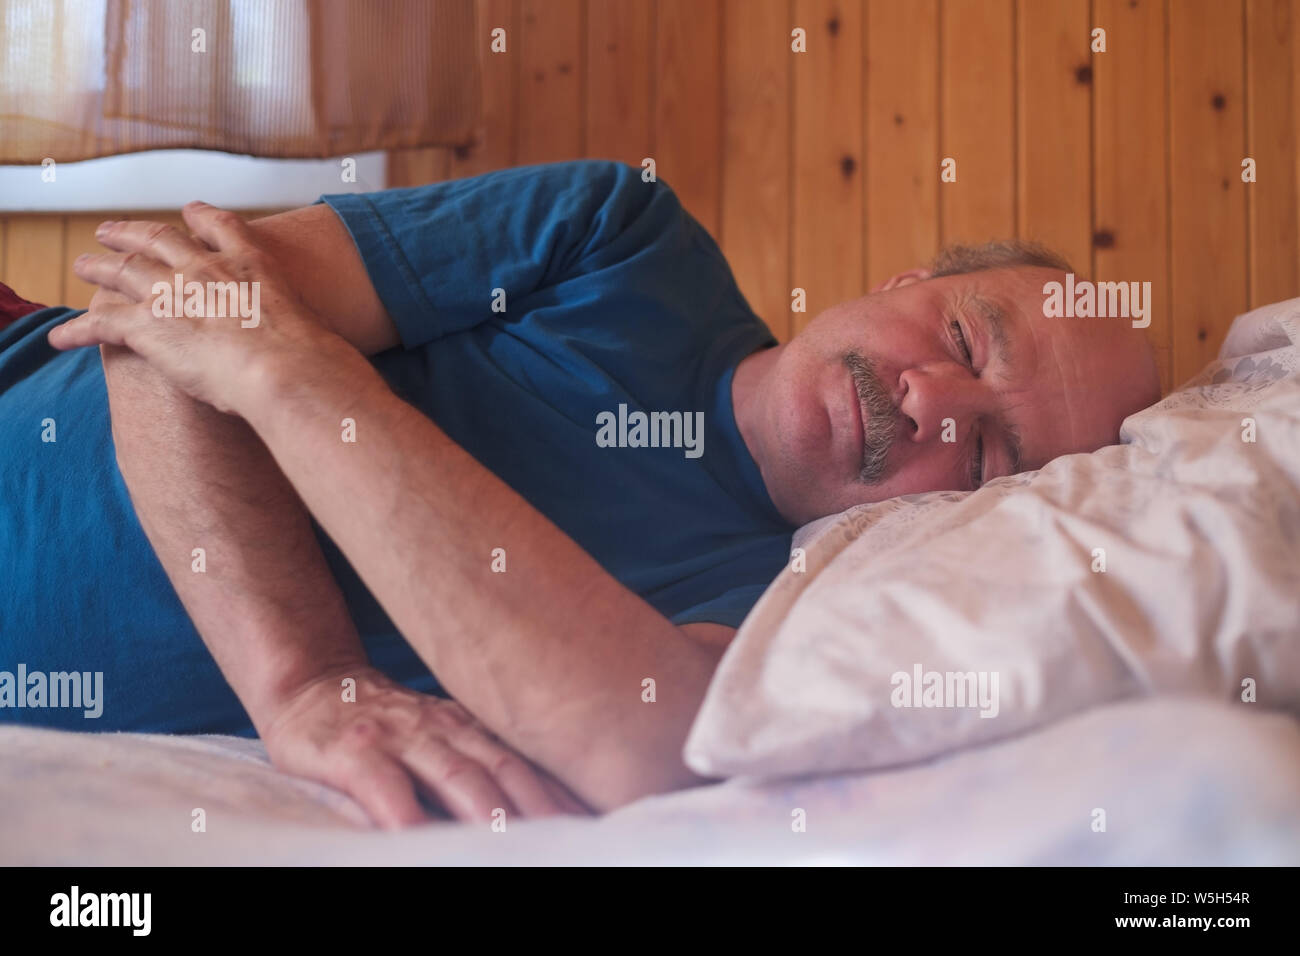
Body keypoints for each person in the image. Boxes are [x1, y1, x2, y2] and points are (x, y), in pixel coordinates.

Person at [0, 160, 1160, 824]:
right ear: (908, 279)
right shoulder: (622, 238)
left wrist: (288, 376)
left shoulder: (780, 604)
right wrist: (302, 675)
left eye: (992, 453)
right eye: (963, 334)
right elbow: (165, 305)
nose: (933, 402)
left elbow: (636, 746)